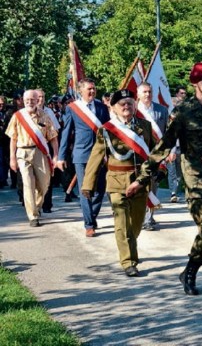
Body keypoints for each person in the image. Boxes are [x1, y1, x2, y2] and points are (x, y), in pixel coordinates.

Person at [125, 62, 202, 311]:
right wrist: (142, 179)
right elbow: (163, 147)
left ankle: (189, 272)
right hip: (197, 182)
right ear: (194, 83)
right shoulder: (183, 112)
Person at [82, 89, 157, 277]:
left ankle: (130, 247)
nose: (126, 106)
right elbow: (96, 157)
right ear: (114, 108)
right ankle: (128, 261)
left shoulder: (145, 127)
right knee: (121, 223)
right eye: (122, 104)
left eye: (130, 103)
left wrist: (159, 170)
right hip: (116, 182)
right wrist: (88, 184)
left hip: (140, 182)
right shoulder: (107, 129)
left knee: (136, 224)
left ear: (135, 105)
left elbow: (156, 152)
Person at [56, 79, 110, 237]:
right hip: (82, 155)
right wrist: (61, 156)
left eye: (94, 89)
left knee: (100, 190)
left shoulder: (101, 107)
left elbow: (108, 130)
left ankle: (91, 215)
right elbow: (66, 134)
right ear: (80, 91)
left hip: (100, 155)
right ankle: (89, 224)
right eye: (89, 89)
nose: (92, 92)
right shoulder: (73, 109)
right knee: (85, 190)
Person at [4, 90, 58, 227]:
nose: (29, 102)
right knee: (28, 183)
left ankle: (36, 206)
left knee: (44, 184)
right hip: (23, 153)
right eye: (27, 99)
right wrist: (12, 158)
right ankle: (33, 216)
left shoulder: (45, 116)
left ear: (37, 100)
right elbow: (13, 139)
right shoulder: (18, 116)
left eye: (32, 99)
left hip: (40, 152)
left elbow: (53, 138)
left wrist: (56, 156)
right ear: (23, 100)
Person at [135, 82, 169, 231]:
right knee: (140, 185)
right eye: (144, 92)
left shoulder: (162, 110)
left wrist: (170, 151)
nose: (147, 94)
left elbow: (167, 133)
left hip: (156, 155)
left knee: (153, 185)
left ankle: (149, 218)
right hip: (139, 154)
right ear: (138, 94)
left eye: (149, 91)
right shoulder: (133, 110)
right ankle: (140, 215)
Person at [35, 89, 60, 215]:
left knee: (47, 177)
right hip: (32, 148)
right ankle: (36, 204)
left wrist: (56, 153)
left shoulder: (49, 112)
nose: (40, 99)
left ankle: (47, 204)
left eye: (43, 97)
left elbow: (55, 132)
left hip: (46, 147)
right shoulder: (26, 113)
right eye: (38, 97)